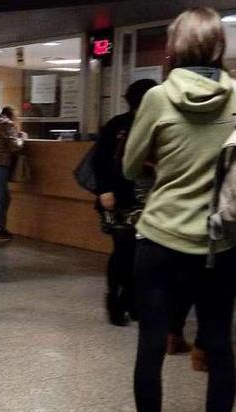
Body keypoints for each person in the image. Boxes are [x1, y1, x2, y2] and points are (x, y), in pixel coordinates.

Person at [122, 7, 236, 412]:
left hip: (160, 238)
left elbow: (132, 164)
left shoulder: (158, 97)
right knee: (219, 345)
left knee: (152, 344)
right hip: (221, 242)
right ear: (218, 46)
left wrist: (169, 161)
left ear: (173, 49)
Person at [92, 80, 157, 327]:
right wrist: (104, 189)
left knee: (141, 254)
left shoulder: (155, 125)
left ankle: (132, 300)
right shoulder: (117, 126)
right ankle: (116, 300)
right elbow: (99, 160)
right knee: (124, 251)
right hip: (120, 198)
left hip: (150, 200)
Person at [0, 106, 24, 242]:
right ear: (11, 115)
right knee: (0, 197)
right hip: (0, 164)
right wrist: (21, 137)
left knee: (2, 197)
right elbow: (15, 146)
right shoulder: (7, 124)